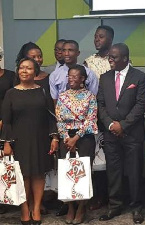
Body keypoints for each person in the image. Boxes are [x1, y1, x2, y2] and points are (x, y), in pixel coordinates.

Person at [1, 57, 59, 225]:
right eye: (21, 68)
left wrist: (54, 137)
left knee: (39, 174)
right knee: (23, 176)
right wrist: (6, 142)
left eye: (28, 68)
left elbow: (51, 117)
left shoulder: (42, 91)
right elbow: (7, 120)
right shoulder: (11, 93)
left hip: (40, 138)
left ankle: (36, 208)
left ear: (35, 72)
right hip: (19, 140)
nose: (24, 71)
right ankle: (25, 209)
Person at [97, 43, 145, 224]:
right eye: (109, 56)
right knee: (113, 171)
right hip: (111, 133)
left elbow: (141, 105)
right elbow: (100, 104)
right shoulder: (104, 78)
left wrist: (123, 125)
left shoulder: (140, 77)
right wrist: (111, 124)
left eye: (114, 57)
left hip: (132, 134)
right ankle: (114, 206)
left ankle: (136, 207)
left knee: (134, 171)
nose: (110, 59)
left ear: (125, 58)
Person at [56, 64, 98, 224]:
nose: (71, 79)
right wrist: (66, 137)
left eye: (75, 76)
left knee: (82, 173)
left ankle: (81, 208)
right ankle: (70, 208)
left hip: (84, 138)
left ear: (83, 79)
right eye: (69, 76)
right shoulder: (62, 96)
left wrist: (77, 137)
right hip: (66, 138)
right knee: (67, 173)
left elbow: (91, 119)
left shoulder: (90, 96)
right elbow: (59, 119)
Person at [84, 25, 114, 211]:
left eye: (101, 37)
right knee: (96, 158)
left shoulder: (118, 59)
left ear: (110, 39)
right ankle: (97, 195)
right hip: (93, 116)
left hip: (112, 117)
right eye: (95, 37)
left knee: (111, 158)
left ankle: (113, 196)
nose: (97, 40)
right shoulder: (88, 62)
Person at [49, 40, 98, 105]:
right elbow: (55, 100)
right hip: (63, 112)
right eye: (64, 50)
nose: (66, 54)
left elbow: (93, 98)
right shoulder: (54, 75)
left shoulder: (89, 73)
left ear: (78, 53)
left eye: (70, 50)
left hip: (84, 112)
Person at [0, 46, 15, 215]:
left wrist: (3, 121)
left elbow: (14, 100)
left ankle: (5, 199)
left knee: (5, 163)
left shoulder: (11, 76)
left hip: (7, 123)